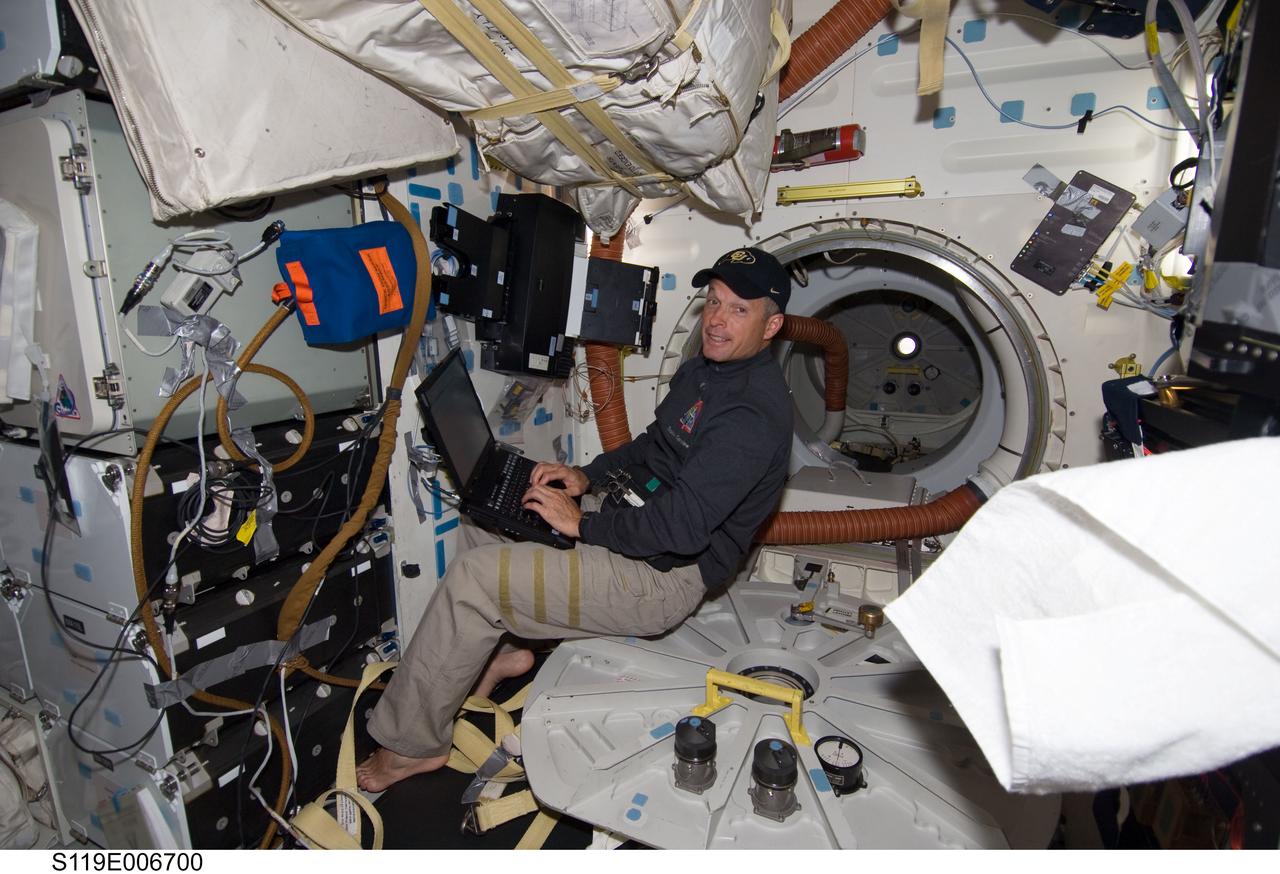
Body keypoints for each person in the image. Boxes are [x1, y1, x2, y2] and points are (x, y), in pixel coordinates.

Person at [357, 246, 795, 792]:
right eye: (714, 302)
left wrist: (580, 525)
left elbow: (681, 532)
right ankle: (510, 652)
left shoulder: (751, 414)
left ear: (771, 325)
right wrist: (586, 477)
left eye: (738, 310)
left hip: (662, 576)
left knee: (474, 582)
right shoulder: (704, 372)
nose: (716, 320)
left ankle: (407, 747)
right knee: (492, 516)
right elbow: (652, 445)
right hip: (628, 517)